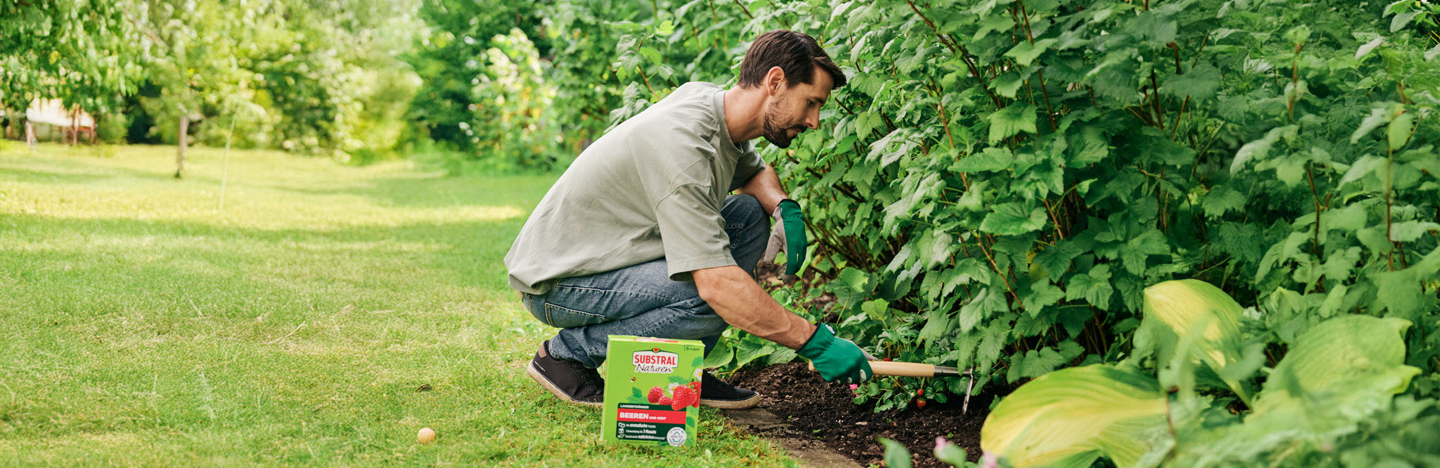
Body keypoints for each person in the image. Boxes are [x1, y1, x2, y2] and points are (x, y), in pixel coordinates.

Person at [504, 30, 872, 408]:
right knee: (711, 296)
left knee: (748, 215)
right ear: (775, 82)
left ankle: (679, 366)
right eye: (811, 103)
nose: (814, 121)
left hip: (605, 256)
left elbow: (754, 173)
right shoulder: (683, 149)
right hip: (560, 279)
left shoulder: (713, 107)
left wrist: (782, 207)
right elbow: (718, 286)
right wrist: (814, 341)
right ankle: (566, 356)